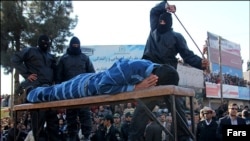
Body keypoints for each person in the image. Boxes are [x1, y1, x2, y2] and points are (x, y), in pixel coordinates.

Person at [128, 1, 209, 141]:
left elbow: (187, 55)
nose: (162, 23)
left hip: (169, 78)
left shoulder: (177, 37)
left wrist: (200, 63)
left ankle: (183, 137)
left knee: (178, 110)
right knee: (141, 112)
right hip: (151, 76)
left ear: (170, 23)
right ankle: (134, 138)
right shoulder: (153, 30)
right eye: (160, 21)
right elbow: (154, 11)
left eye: (165, 22)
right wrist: (166, 5)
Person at [11, 35, 59, 141]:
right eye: (43, 42)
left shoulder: (50, 56)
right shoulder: (30, 51)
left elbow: (56, 71)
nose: (45, 44)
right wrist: (27, 74)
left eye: (47, 42)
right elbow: (15, 59)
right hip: (36, 90)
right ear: (38, 42)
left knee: (53, 123)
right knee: (38, 123)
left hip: (50, 91)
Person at [56, 36, 95, 141]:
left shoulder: (85, 58)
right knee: (71, 118)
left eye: (77, 45)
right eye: (74, 45)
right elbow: (58, 78)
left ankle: (87, 136)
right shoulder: (64, 59)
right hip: (69, 93)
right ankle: (72, 137)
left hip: (82, 92)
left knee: (85, 116)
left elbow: (92, 75)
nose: (76, 47)